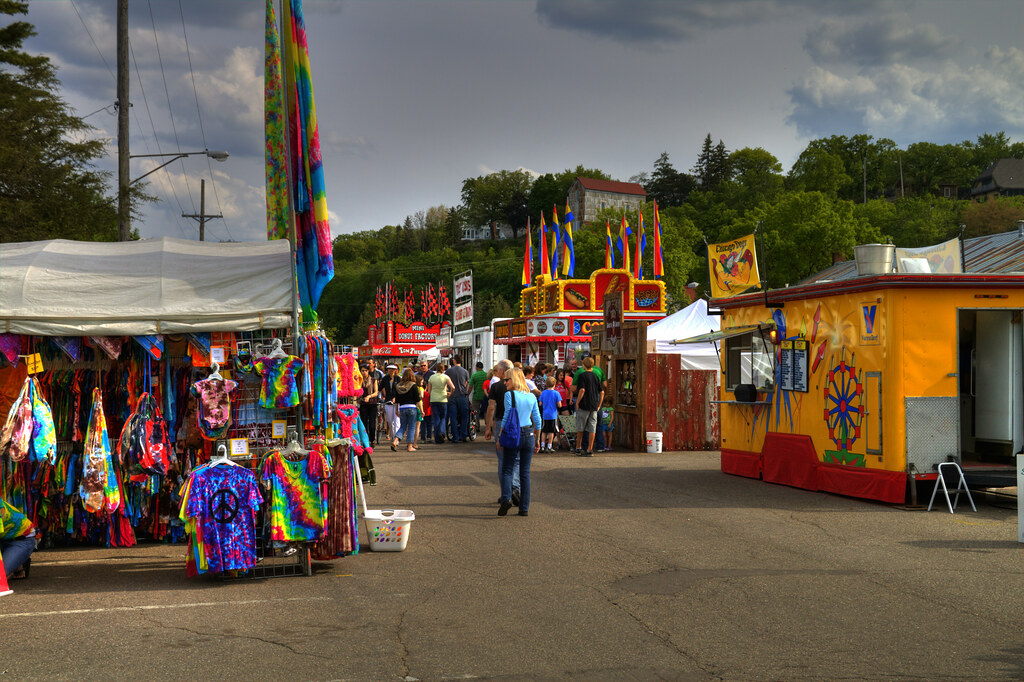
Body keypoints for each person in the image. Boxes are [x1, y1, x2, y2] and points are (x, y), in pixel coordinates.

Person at [497, 368, 541, 517]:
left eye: (507, 380)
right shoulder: (531, 396)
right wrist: (538, 438)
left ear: (514, 380)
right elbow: (537, 419)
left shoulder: (510, 395)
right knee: (525, 472)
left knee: (507, 468)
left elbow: (507, 415)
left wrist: (500, 435)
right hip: (528, 433)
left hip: (513, 434)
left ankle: (506, 498)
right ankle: (524, 507)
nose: (505, 383)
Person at [484, 359, 519, 502]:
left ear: (503, 371)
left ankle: (506, 493)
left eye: (498, 371)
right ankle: (516, 487)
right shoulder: (521, 386)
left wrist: (488, 428)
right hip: (519, 423)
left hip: (501, 423)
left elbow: (491, 407)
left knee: (502, 460)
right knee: (516, 460)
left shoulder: (496, 386)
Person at [574, 356, 605, 457]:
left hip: (584, 404)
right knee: (592, 428)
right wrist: (599, 404)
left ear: (583, 365)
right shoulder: (596, 376)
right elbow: (602, 391)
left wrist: (577, 402)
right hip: (594, 405)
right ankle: (589, 449)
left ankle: (578, 447)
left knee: (580, 427)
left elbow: (582, 390)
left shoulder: (582, 376)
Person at [1, 498, 36, 579]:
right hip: (3, 539)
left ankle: (20, 562)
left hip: (22, 538)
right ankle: (14, 563)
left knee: (1, 576)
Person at [394, 368, 422, 452]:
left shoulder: (398, 386)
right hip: (412, 407)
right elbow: (417, 399)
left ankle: (395, 440)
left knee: (402, 426)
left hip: (402, 408)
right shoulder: (413, 385)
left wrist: (396, 409)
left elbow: (397, 399)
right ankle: (410, 446)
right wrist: (421, 410)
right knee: (411, 427)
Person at [446, 356, 471, 443]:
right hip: (462, 396)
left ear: (454, 361)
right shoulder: (465, 371)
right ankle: (463, 435)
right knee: (464, 416)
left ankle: (455, 436)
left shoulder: (448, 371)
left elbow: (446, 383)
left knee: (453, 417)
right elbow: (466, 383)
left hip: (452, 396)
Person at [427, 362, 454, 444]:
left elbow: (429, 391)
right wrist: (449, 393)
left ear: (436, 368)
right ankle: (442, 432)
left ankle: (437, 438)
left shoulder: (431, 377)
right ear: (443, 369)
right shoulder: (446, 377)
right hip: (443, 399)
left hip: (433, 399)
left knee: (436, 418)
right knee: (443, 417)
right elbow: (453, 387)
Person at [538, 376, 562, 452]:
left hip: (545, 414)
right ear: (554, 384)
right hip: (553, 414)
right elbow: (559, 404)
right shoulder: (556, 393)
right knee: (551, 431)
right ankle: (549, 446)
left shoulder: (543, 392)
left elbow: (540, 403)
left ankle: (542, 446)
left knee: (544, 430)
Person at [357, 363, 379, 446]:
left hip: (372, 404)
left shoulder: (373, 380)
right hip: (363, 404)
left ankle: (372, 440)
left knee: (372, 424)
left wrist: (369, 396)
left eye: (365, 371)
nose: (364, 372)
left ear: (368, 371)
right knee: (364, 423)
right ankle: (365, 441)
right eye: (362, 371)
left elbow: (376, 392)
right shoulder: (359, 381)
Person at [382, 363, 401, 450]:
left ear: (396, 370)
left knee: (397, 421)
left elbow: (400, 390)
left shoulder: (398, 379)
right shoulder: (385, 379)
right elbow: (379, 388)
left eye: (393, 369)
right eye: (389, 369)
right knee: (390, 421)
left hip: (397, 402)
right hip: (388, 402)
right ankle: (394, 436)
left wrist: (396, 398)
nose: (391, 371)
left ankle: (396, 441)